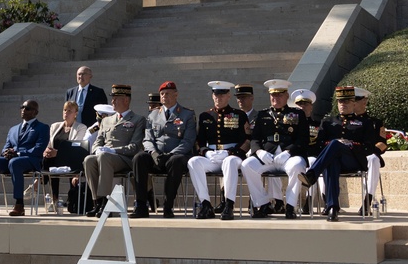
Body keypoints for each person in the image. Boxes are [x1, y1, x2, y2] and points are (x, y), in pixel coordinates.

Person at [301, 84, 380, 220]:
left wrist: (349, 144)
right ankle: (332, 208)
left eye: (347, 101)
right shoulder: (327, 122)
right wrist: (335, 144)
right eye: (340, 101)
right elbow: (319, 144)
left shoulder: (364, 122)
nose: (343, 104)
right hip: (334, 160)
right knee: (332, 162)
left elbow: (369, 147)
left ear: (354, 103)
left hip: (354, 160)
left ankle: (312, 174)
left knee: (334, 145)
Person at [242, 79, 310, 219]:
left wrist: (289, 152)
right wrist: (259, 152)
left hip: (289, 156)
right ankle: (262, 203)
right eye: (273, 95)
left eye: (279, 95)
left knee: (297, 166)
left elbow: (303, 139)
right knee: (247, 165)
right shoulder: (262, 115)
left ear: (287, 96)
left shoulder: (297, 114)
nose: (275, 98)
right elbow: (255, 139)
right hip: (268, 156)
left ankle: (290, 206)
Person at [187, 81, 252, 220]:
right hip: (212, 156)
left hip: (232, 155)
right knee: (193, 162)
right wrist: (205, 152)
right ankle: (205, 204)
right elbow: (199, 140)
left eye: (222, 95)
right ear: (212, 96)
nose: (218, 98)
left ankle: (229, 204)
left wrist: (231, 152)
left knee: (229, 162)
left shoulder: (239, 115)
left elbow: (246, 139)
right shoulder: (205, 116)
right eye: (216, 95)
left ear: (228, 96)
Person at [130, 81, 195, 219]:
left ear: (176, 95)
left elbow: (188, 141)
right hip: (156, 156)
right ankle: (141, 205)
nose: (165, 96)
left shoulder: (187, 114)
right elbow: (147, 139)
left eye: (168, 93)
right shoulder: (153, 115)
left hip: (176, 156)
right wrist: (153, 153)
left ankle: (168, 206)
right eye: (162, 94)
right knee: (139, 158)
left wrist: (171, 154)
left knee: (176, 161)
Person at [0, 100, 50, 217]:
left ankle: (19, 205)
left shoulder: (42, 128)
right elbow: (6, 146)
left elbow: (38, 149)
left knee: (15, 162)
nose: (23, 110)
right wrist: (6, 152)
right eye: (22, 107)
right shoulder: (13, 129)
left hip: (31, 160)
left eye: (27, 108)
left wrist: (18, 153)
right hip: (13, 160)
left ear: (35, 112)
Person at [81, 85, 144, 215]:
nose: (112, 102)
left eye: (116, 98)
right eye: (112, 98)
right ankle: (97, 202)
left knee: (104, 157)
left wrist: (113, 151)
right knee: (89, 160)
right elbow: (98, 142)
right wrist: (98, 149)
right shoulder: (106, 120)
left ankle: (106, 203)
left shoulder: (138, 120)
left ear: (126, 100)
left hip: (125, 159)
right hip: (105, 157)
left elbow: (134, 146)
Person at [42, 99, 90, 212]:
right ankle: (54, 199)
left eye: (69, 111)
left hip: (71, 159)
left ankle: (39, 182)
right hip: (54, 159)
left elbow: (75, 148)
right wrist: (47, 151)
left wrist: (57, 153)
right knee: (47, 158)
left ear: (75, 114)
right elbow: (50, 143)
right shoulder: (55, 126)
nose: (66, 113)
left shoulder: (81, 127)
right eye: (64, 110)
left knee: (54, 159)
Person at [352, 87, 389, 212]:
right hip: (350, 156)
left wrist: (374, 152)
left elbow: (383, 143)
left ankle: (367, 200)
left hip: (368, 156)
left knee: (373, 159)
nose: (353, 103)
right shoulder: (344, 121)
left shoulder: (375, 122)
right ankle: (330, 202)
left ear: (364, 102)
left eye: (356, 100)